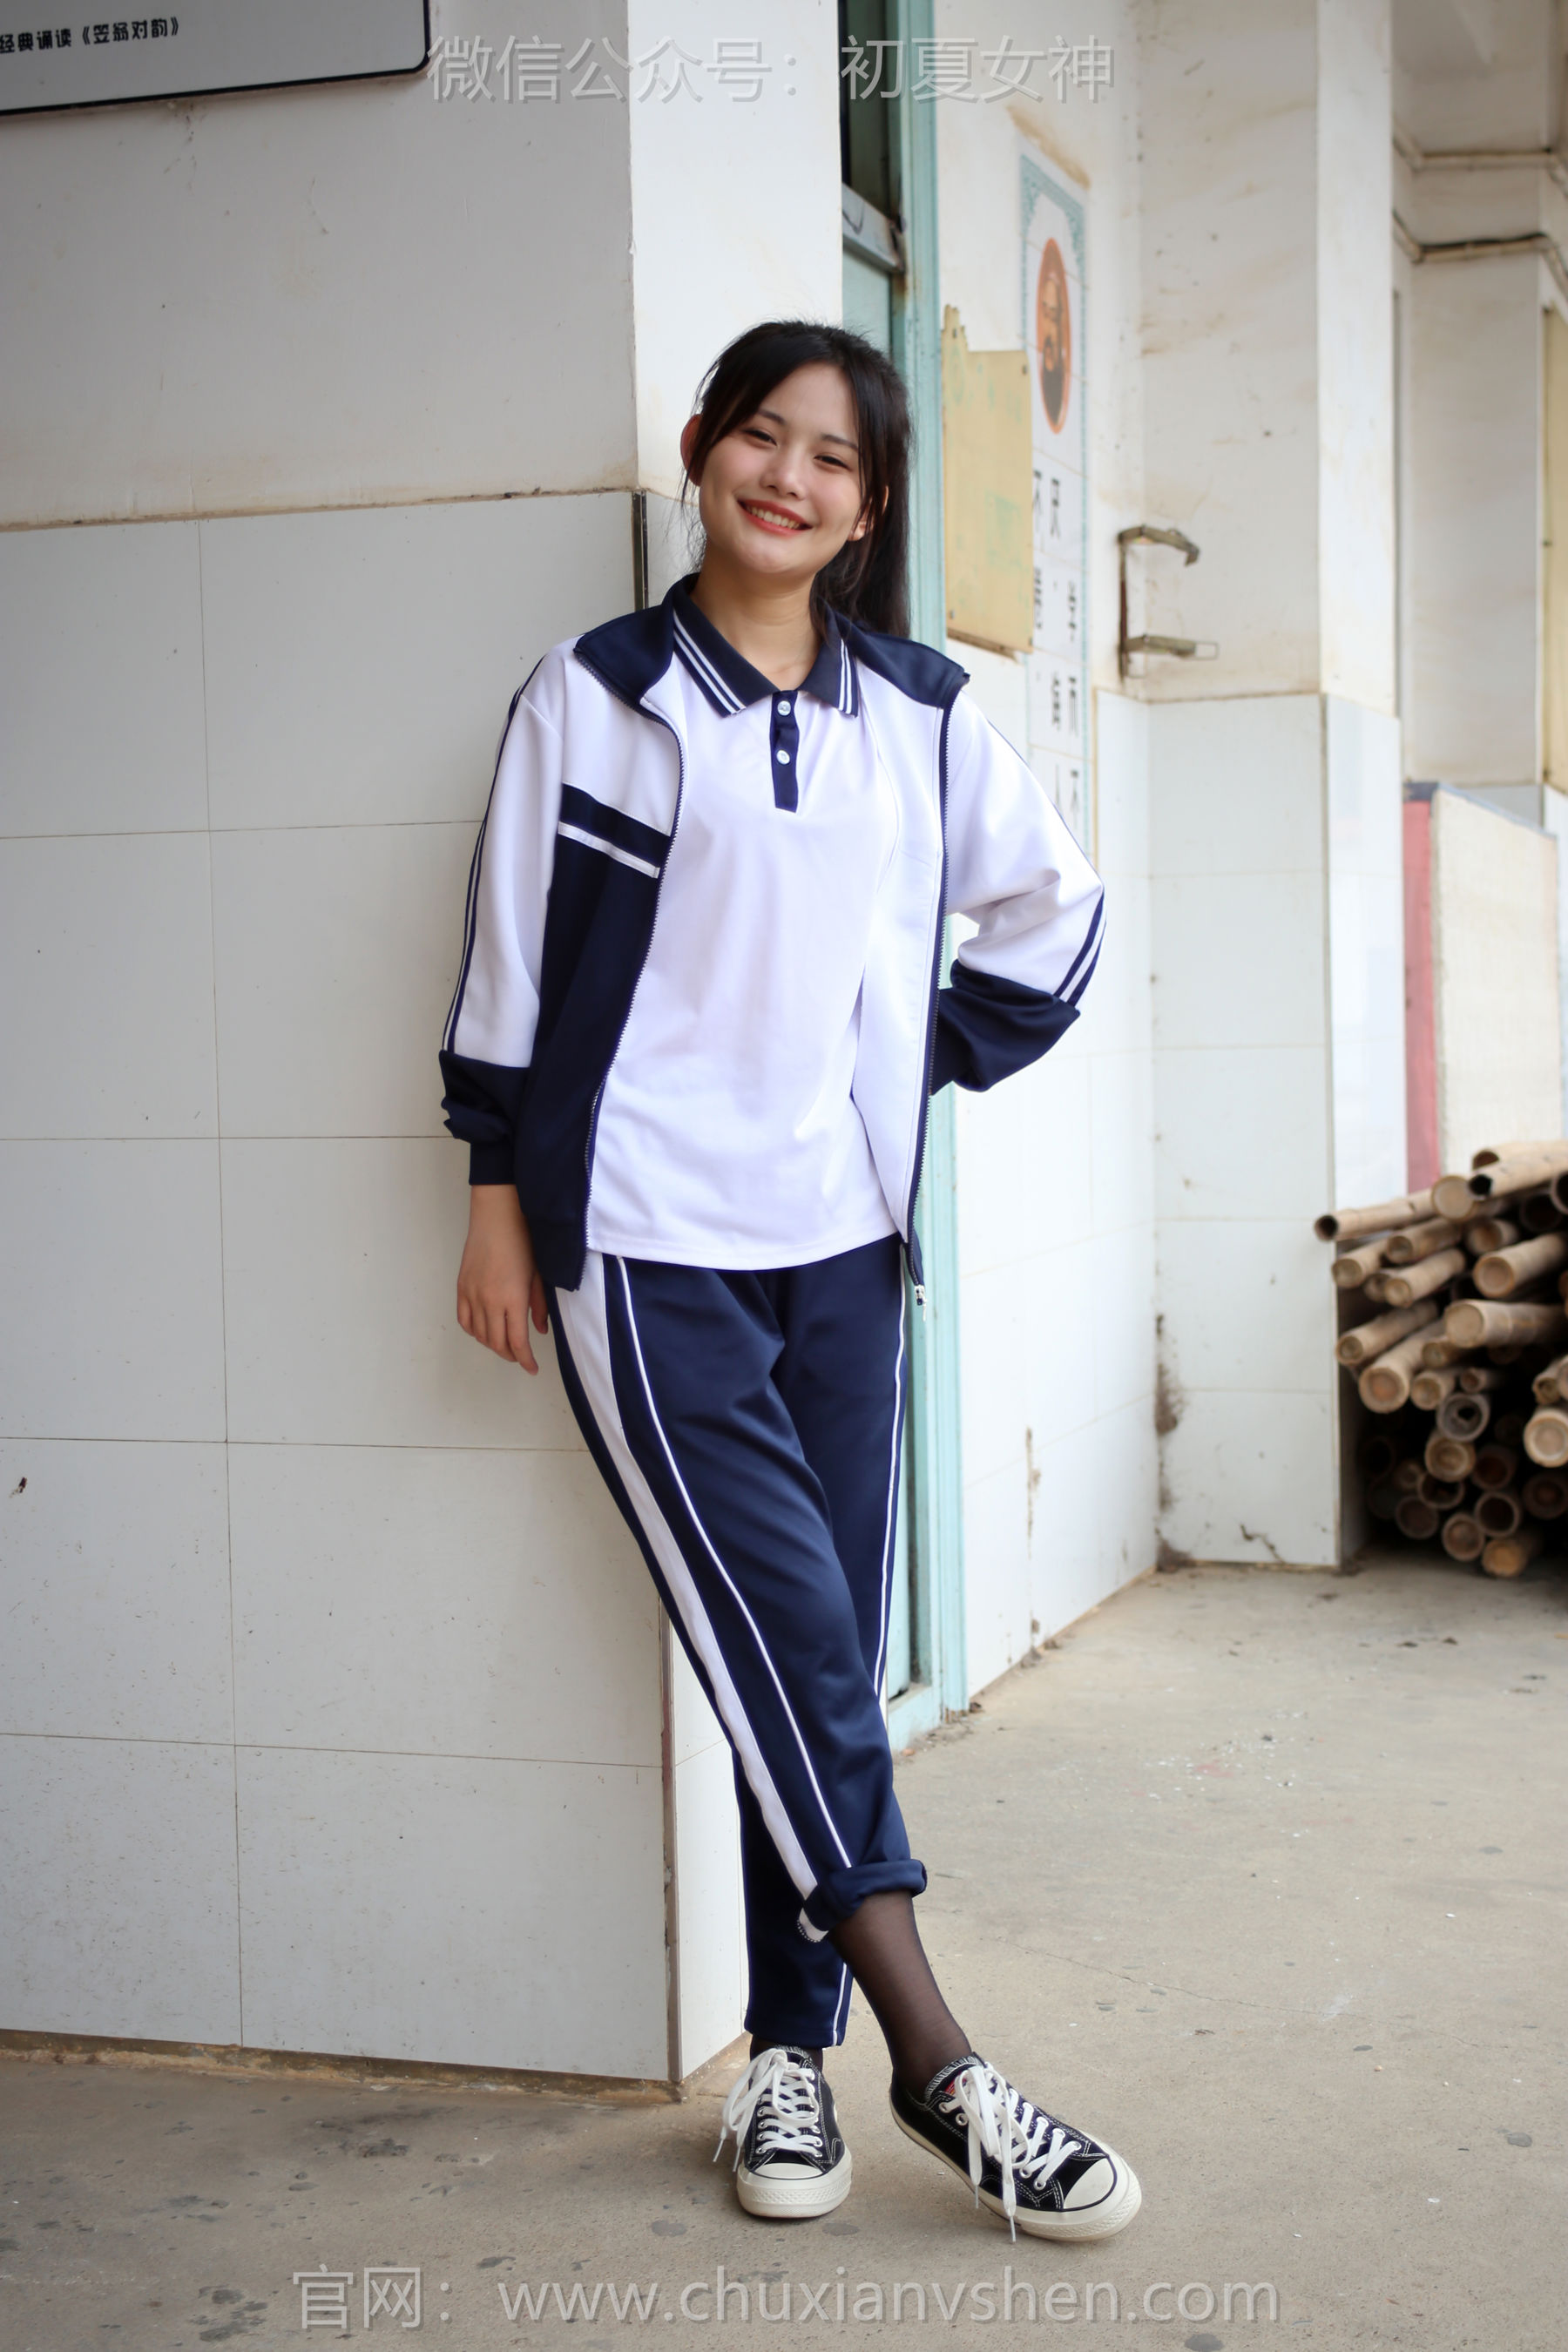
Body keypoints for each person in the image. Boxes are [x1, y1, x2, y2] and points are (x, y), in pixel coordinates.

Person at [438, 320, 1137, 2243]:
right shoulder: (595, 696)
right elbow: (508, 962)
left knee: (801, 1658)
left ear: (869, 508)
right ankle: (939, 2063)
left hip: (841, 1249)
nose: (789, 477)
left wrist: (904, 1065)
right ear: (700, 450)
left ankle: (782, 2059)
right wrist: (495, 1193)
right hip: (643, 1242)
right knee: (799, 1655)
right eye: (761, 435)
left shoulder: (918, 714)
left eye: (832, 457)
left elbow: (1057, 917)